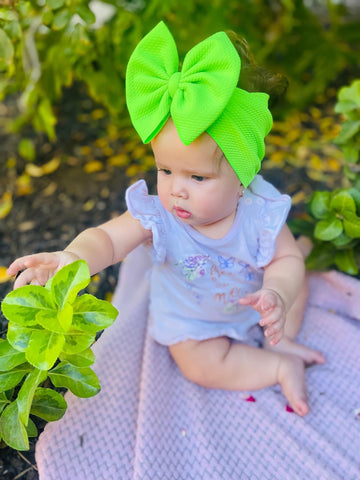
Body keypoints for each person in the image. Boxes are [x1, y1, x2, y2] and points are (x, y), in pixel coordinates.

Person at [7, 22, 325, 416]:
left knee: (298, 283)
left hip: (255, 302)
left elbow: (284, 260)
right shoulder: (159, 214)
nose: (177, 189)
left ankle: (286, 338)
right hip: (192, 320)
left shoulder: (259, 212)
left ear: (242, 180)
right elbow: (108, 239)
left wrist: (278, 294)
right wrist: (72, 259)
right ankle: (279, 365)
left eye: (197, 177)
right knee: (197, 364)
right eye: (166, 171)